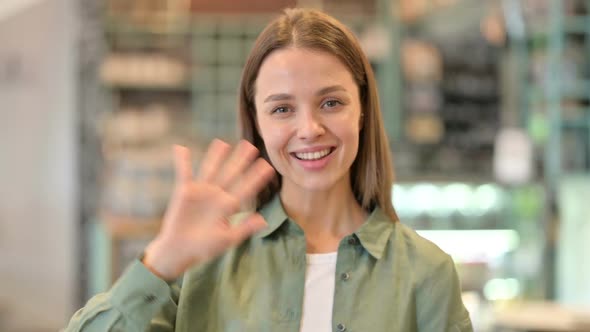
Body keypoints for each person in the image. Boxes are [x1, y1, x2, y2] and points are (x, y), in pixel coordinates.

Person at [65, 8, 473, 332]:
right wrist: (160, 261)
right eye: (282, 109)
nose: (309, 129)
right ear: (257, 122)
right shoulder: (203, 262)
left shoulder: (428, 274)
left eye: (331, 102)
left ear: (363, 109)